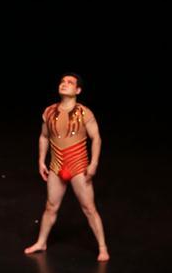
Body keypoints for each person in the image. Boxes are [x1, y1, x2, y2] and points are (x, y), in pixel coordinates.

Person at [24, 73, 109, 261]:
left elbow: (96, 138)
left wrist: (94, 163)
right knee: (50, 207)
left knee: (88, 208)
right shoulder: (49, 112)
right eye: (62, 81)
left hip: (78, 166)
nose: (64, 84)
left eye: (70, 83)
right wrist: (41, 160)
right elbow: (44, 137)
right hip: (56, 165)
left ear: (77, 90)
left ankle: (102, 247)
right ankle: (41, 242)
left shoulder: (85, 113)